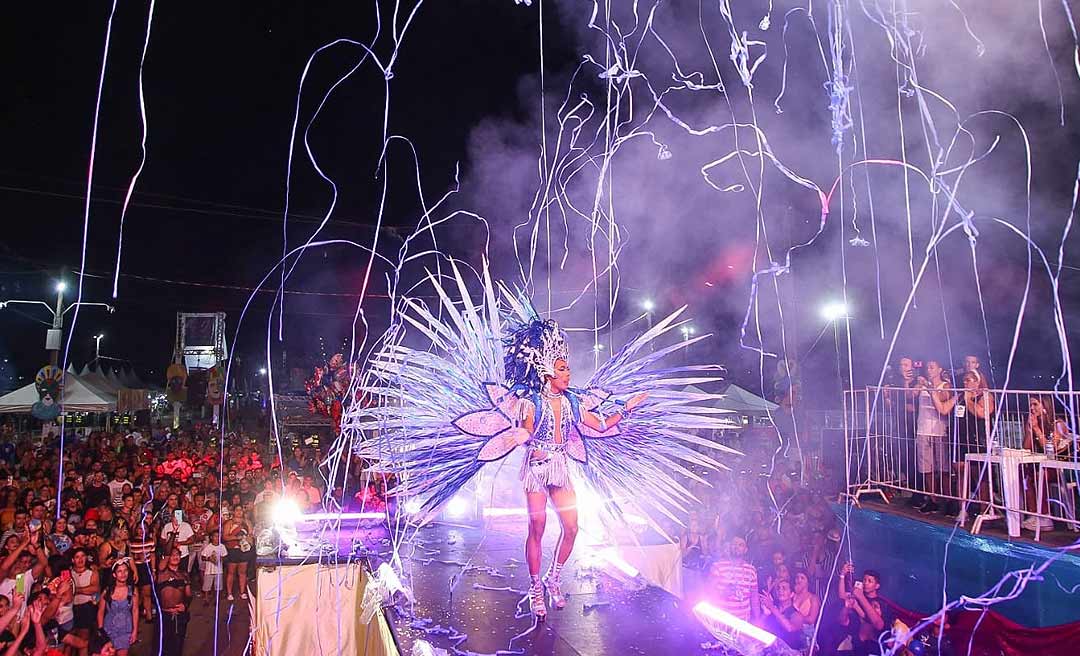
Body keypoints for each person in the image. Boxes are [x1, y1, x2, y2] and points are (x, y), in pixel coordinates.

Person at [517, 349, 645, 618]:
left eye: (568, 369)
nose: (568, 374)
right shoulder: (531, 402)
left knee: (572, 527)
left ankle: (553, 578)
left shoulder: (571, 402)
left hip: (560, 467)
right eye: (562, 369)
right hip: (537, 468)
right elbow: (525, 432)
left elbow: (600, 426)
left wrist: (625, 408)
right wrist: (526, 440)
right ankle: (535, 587)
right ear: (547, 373)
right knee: (537, 527)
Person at [1022, 394, 1071, 532]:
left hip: (1060, 466)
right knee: (1025, 475)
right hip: (1041, 465)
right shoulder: (1034, 422)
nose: (1032, 408)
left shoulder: (1058, 424)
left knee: (1038, 476)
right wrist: (1030, 430)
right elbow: (1026, 448)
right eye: (1030, 405)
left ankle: (1045, 516)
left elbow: (1051, 450)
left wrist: (1037, 429)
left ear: (1045, 406)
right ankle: (1033, 514)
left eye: (1035, 404)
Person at [913, 360, 952, 514]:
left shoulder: (945, 385)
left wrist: (929, 388)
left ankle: (949, 500)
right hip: (923, 429)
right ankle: (932, 498)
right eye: (927, 367)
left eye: (932, 367)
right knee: (927, 468)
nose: (929, 370)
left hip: (939, 430)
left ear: (939, 369)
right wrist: (916, 386)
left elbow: (943, 398)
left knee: (943, 468)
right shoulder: (922, 385)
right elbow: (911, 394)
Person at [837, 563, 890, 656]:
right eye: (864, 580)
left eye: (870, 581)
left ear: (877, 586)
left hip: (874, 645)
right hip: (855, 641)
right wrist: (842, 575)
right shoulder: (858, 596)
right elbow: (842, 596)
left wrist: (860, 598)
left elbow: (878, 624)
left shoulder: (880, 604)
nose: (865, 583)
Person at [706, 536, 760, 623]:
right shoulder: (718, 566)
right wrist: (723, 593)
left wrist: (758, 620)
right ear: (729, 547)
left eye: (740, 545)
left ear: (745, 550)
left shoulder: (751, 570)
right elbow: (708, 592)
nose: (736, 546)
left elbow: (754, 598)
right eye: (734, 544)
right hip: (721, 620)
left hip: (742, 621)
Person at [96, 560, 137, 656]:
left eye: (125, 570)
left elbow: (135, 611)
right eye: (119, 571)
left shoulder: (133, 590)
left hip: (125, 630)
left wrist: (134, 631)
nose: (123, 574)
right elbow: (101, 611)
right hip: (109, 629)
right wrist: (101, 630)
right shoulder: (107, 591)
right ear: (114, 575)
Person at [156, 548, 190, 656]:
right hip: (165, 616)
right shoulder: (162, 574)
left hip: (180, 617)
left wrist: (185, 605)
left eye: (178, 555)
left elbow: (189, 595)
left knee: (178, 645)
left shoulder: (184, 574)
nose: (175, 557)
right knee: (163, 646)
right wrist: (173, 534)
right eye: (172, 555)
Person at [760, 579, 804, 650]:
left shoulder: (796, 614)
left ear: (792, 594)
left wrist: (771, 607)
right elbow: (758, 628)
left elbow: (790, 628)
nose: (780, 591)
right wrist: (765, 614)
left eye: (784, 588)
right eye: (778, 588)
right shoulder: (772, 608)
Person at [222, 506, 252, 602]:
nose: (239, 512)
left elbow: (251, 535)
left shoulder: (247, 522)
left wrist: (248, 541)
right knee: (231, 572)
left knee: (242, 572)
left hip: (244, 550)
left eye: (240, 510)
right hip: (233, 550)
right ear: (234, 512)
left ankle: (242, 592)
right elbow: (225, 537)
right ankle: (229, 593)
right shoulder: (229, 523)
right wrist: (237, 538)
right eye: (237, 510)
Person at [198, 530, 227, 599]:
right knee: (207, 587)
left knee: (218, 587)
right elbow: (202, 557)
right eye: (215, 536)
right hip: (209, 571)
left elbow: (225, 556)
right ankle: (206, 599)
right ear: (211, 537)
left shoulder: (222, 546)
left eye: (218, 536)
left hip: (218, 571)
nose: (217, 538)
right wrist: (209, 559)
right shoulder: (208, 547)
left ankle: (216, 599)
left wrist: (221, 559)